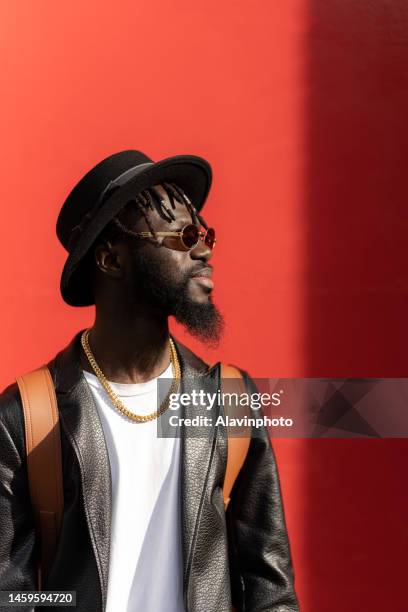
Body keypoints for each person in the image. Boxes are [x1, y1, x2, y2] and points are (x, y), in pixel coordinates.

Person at [0, 150, 300, 612]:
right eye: (183, 235)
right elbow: (11, 594)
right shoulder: (27, 414)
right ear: (111, 260)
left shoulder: (229, 400)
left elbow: (268, 585)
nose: (204, 248)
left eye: (205, 233)